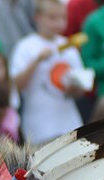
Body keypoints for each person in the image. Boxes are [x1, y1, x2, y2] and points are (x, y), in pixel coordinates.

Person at [11, 0, 86, 145]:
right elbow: (16, 86)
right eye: (52, 18)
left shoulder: (69, 46)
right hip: (39, 127)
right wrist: (36, 61)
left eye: (63, 18)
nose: (59, 23)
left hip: (70, 124)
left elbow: (80, 90)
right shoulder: (25, 46)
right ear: (37, 17)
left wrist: (75, 88)